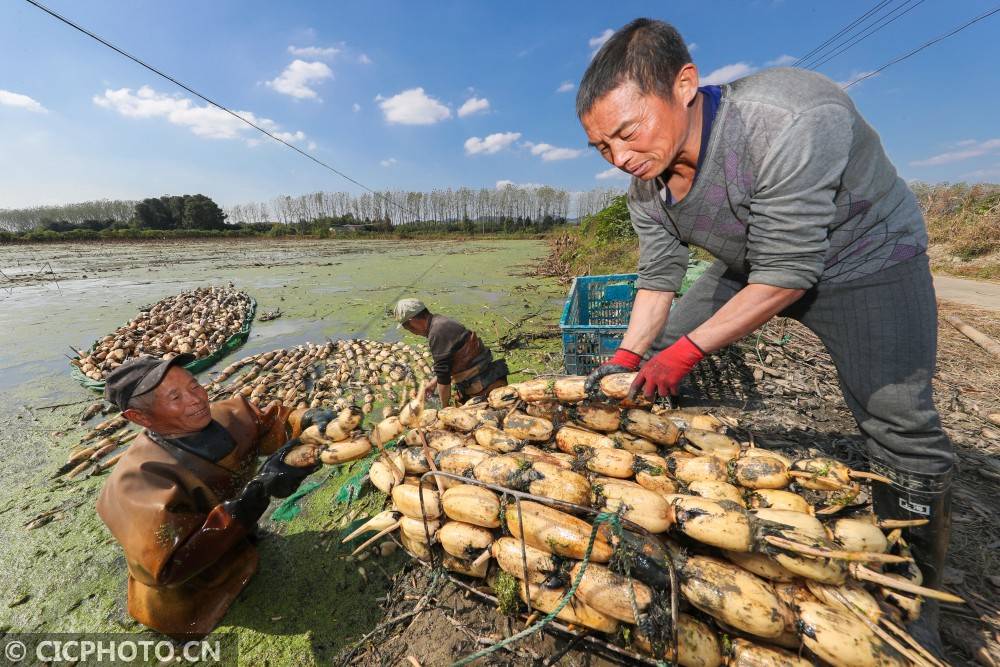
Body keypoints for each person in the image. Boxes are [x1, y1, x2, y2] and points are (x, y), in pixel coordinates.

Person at [577, 18, 953, 650]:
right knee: (662, 342)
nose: (619, 158)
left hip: (865, 258)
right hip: (752, 262)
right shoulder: (647, 185)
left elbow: (790, 272)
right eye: (601, 148)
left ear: (685, 84)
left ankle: (918, 599)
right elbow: (659, 280)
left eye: (626, 132)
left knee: (897, 419)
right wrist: (628, 356)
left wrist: (685, 353)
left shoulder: (789, 116)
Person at [96, 354, 318, 640]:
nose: (196, 399)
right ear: (139, 417)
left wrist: (307, 420)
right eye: (175, 397)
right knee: (195, 613)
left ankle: (244, 544)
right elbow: (173, 566)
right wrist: (258, 492)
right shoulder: (134, 485)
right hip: (191, 591)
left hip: (239, 540)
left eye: (194, 385)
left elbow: (269, 426)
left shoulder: (224, 416)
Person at [393, 298, 508, 405]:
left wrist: (445, 408)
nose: (411, 332)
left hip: (483, 387)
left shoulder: (437, 333)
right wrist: (432, 385)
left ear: (413, 321)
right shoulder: (439, 321)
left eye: (407, 327)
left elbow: (444, 378)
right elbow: (448, 362)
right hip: (486, 377)